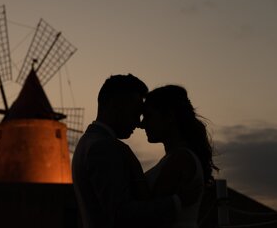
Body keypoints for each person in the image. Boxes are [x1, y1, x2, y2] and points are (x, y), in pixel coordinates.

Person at [72, 75, 190, 228]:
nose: (138, 122)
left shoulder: (88, 142)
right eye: (135, 113)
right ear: (114, 105)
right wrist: (177, 202)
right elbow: (121, 213)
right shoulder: (103, 147)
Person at [139, 85, 219, 228]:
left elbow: (151, 215)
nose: (142, 124)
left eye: (148, 116)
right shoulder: (176, 158)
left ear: (169, 117)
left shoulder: (180, 160)